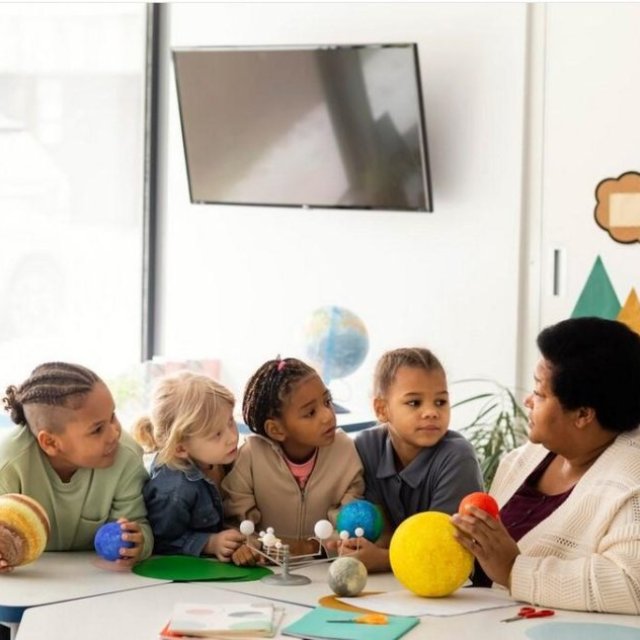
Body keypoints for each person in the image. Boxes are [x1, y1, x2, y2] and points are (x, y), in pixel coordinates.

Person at [452, 317, 640, 614]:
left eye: (539, 393)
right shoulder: (522, 460)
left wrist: (516, 569)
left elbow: (632, 585)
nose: (528, 400)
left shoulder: (632, 481)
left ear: (583, 414)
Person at [340, 347, 483, 572]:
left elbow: (441, 548)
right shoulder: (367, 446)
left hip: (453, 586)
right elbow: (381, 531)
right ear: (382, 409)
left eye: (440, 402)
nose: (431, 412)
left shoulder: (458, 457)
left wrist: (382, 560)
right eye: (415, 403)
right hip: (393, 586)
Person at [0, 362, 152, 572]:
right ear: (51, 443)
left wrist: (138, 542)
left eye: (113, 417)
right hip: (28, 579)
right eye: (97, 429)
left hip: (95, 580)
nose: (114, 433)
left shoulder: (126, 456)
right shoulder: (9, 463)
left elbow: (139, 524)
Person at [222, 357, 364, 564]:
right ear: (276, 430)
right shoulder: (251, 456)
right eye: (310, 412)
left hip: (323, 571)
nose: (328, 416)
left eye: (327, 401)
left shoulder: (345, 452)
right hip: (264, 572)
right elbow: (235, 520)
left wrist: (312, 546)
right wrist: (246, 546)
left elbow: (350, 523)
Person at [133, 371, 245, 561]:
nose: (232, 437)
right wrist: (210, 543)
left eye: (230, 422)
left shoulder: (227, 459)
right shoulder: (173, 489)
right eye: (217, 434)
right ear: (181, 448)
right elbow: (162, 541)